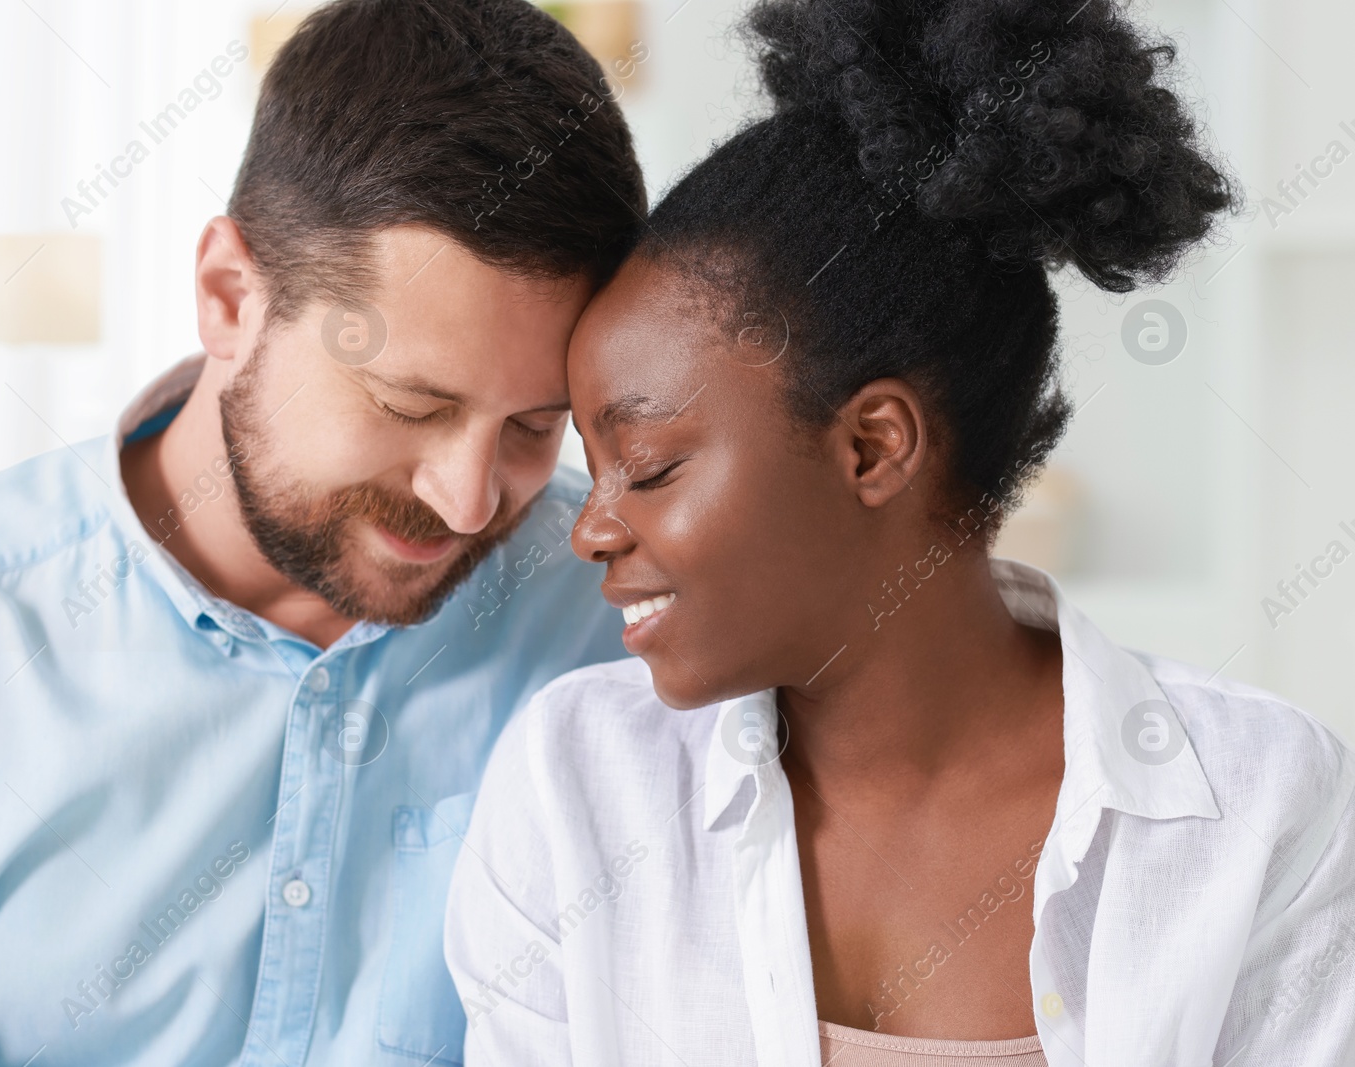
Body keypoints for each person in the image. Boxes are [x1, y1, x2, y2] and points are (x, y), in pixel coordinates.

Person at [444, 0, 1355, 1064]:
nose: (591, 529)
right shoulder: (573, 791)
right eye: (592, 474)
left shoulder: (1258, 804)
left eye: (645, 468)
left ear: (873, 446)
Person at [0, 2, 645, 1064]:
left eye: (534, 427)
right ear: (229, 295)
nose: (465, 501)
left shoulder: (622, 620)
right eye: (410, 406)